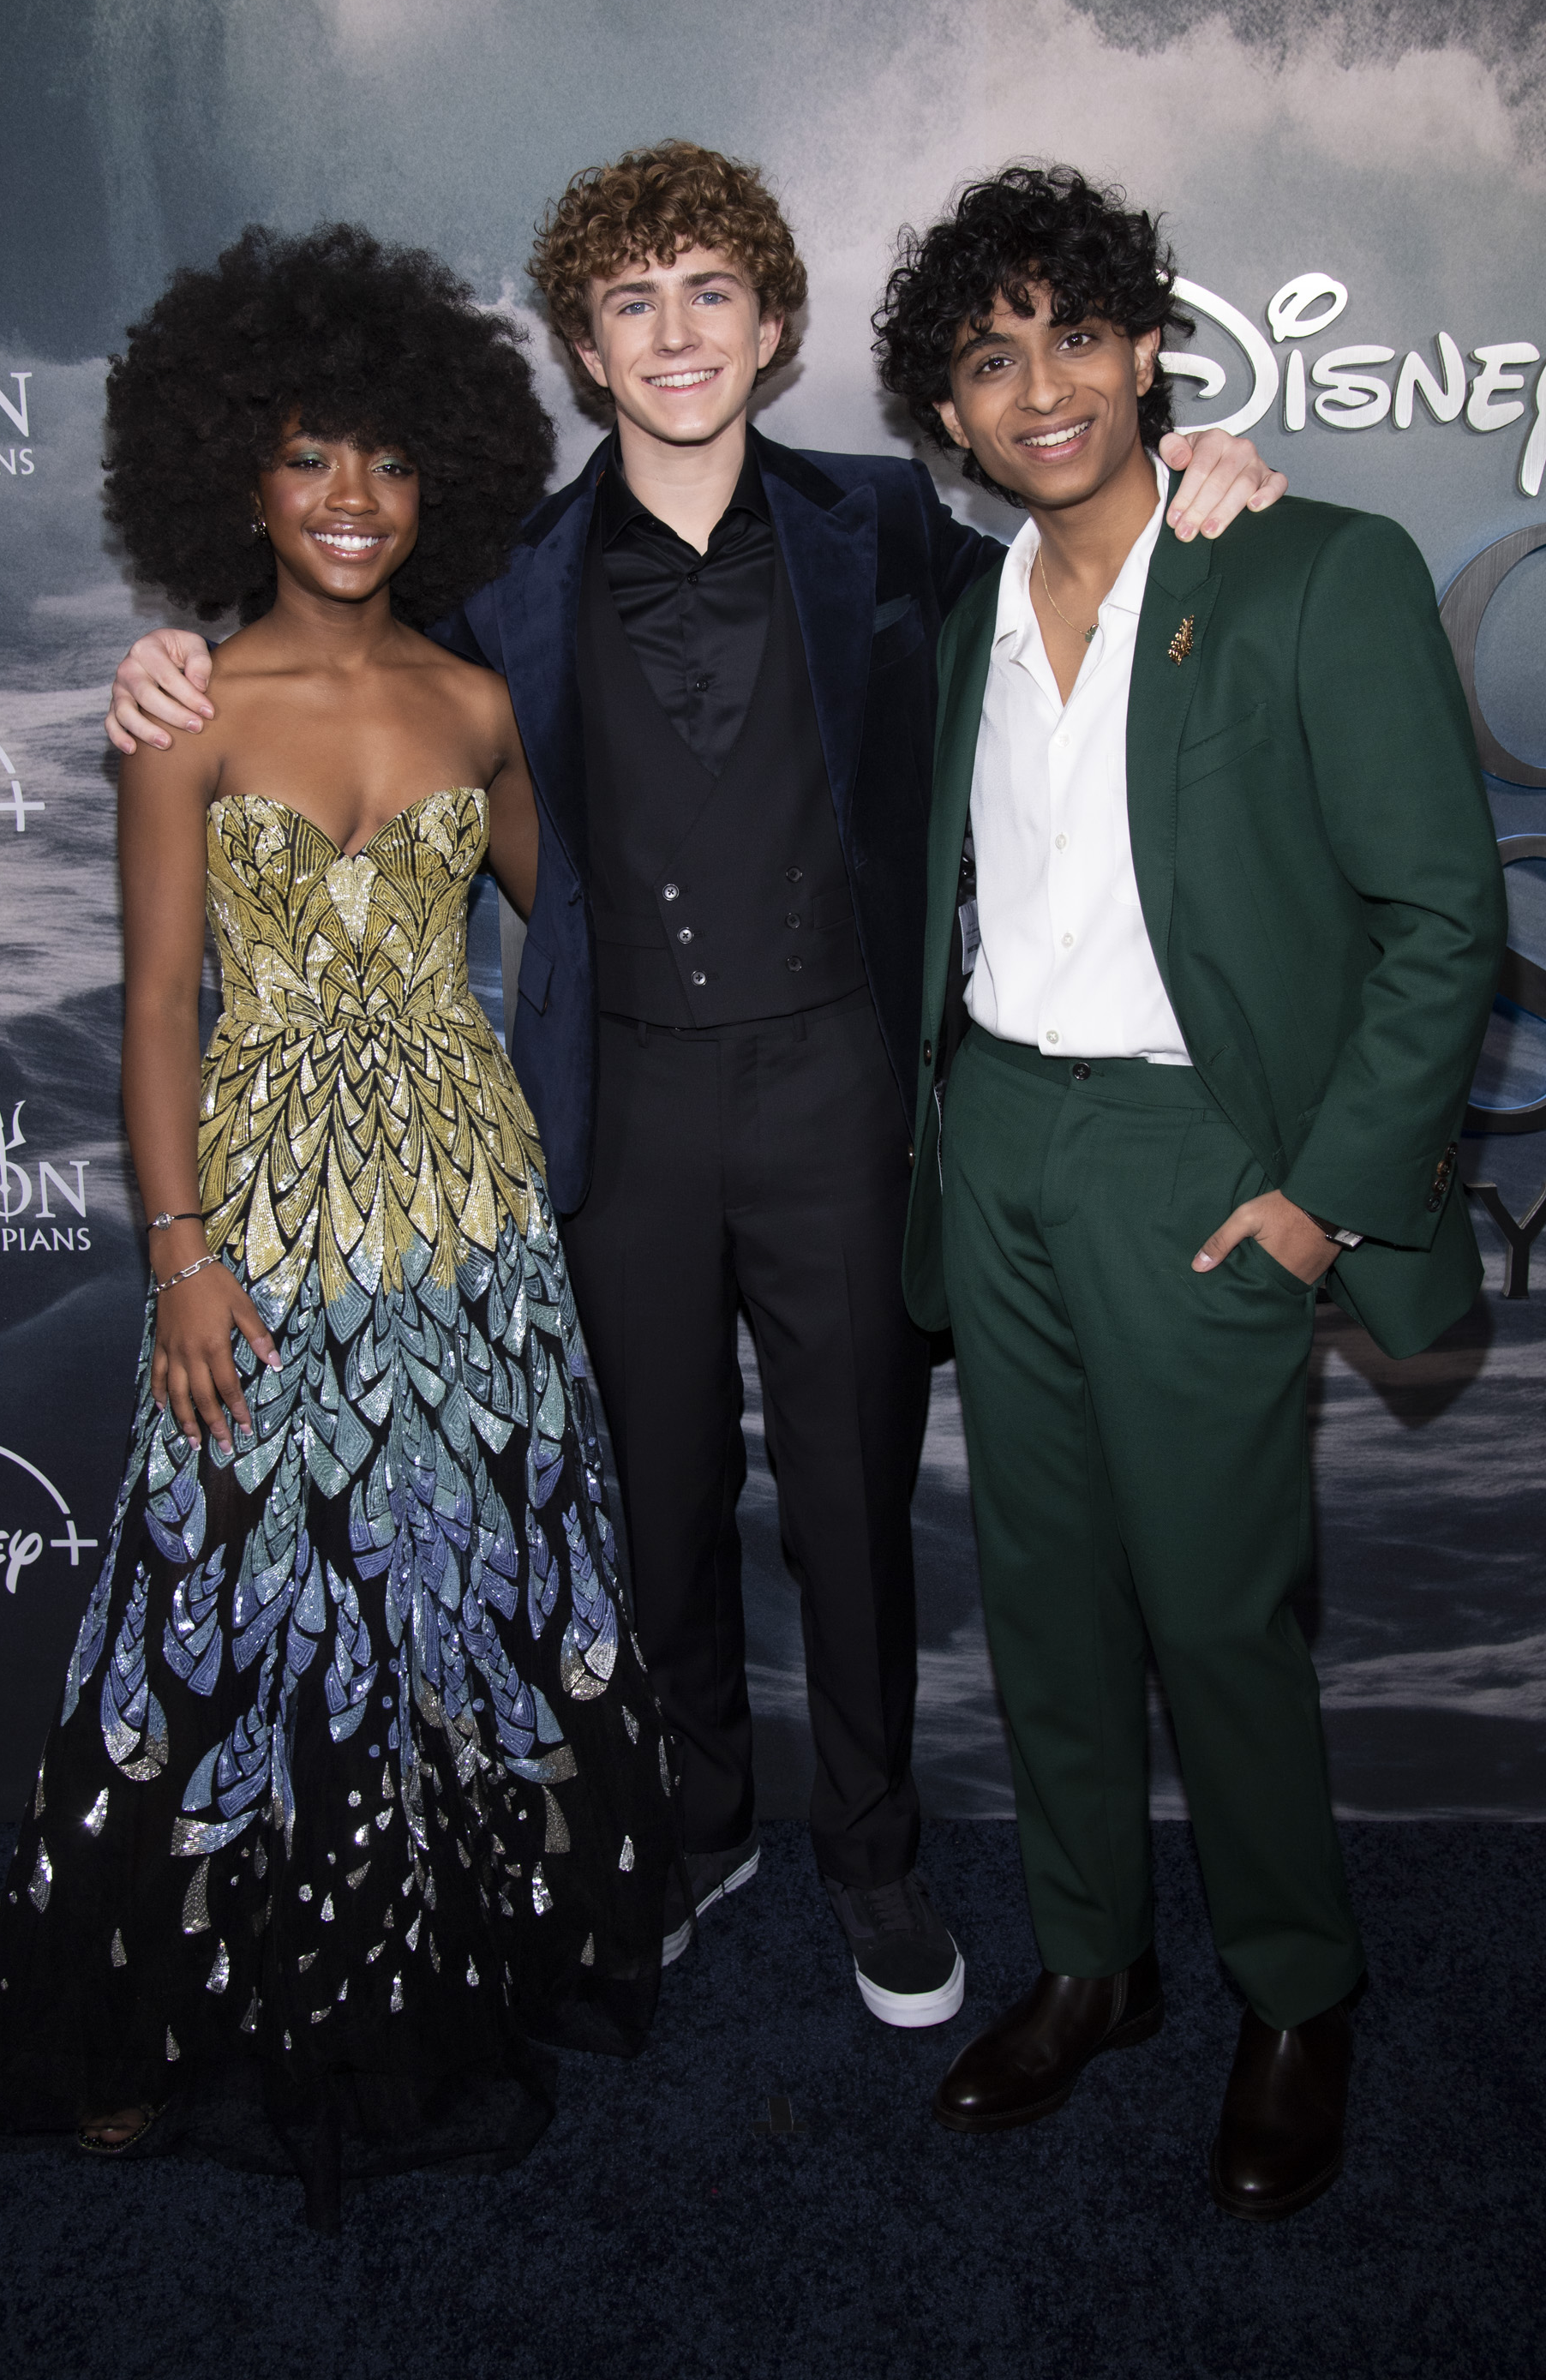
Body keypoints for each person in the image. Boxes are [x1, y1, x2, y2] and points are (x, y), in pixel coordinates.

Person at [104, 143, 1280, 2029]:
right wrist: (172, 651)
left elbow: (1085, 573)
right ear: (584, 347)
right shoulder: (502, 577)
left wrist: (1208, 472)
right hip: (618, 1113)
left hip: (839, 1096)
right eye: (632, 301)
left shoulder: (885, 523)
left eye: (710, 292)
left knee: (851, 1508)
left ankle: (872, 1854)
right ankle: (699, 1816)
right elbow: (331, 658)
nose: (674, 333)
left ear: (772, 323)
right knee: (653, 1510)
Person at [0, 226, 675, 2235]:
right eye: (305, 456)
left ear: (443, 476)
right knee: (225, 1604)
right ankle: (154, 2020)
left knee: (459, 1588)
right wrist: (179, 1255)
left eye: (390, 459)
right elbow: (153, 1011)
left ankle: (461, 1967)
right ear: (237, 480)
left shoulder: (479, 702)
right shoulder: (184, 710)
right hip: (263, 1223)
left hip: (467, 1220)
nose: (352, 496)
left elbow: (585, 928)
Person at [876, 164, 1505, 2212]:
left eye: (1075, 334)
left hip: (1198, 1159)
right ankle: (1092, 1963)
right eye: (991, 360)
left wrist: (1321, 1196)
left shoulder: (1311, 564)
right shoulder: (961, 620)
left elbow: (1441, 916)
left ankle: (1295, 1991)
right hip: (1002, 1137)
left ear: (1150, 348)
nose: (1041, 386)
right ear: (950, 414)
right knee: (1043, 1597)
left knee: (1218, 1614)